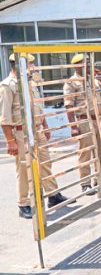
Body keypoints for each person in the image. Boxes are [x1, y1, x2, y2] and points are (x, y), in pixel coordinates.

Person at [0, 53, 74, 219]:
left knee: (46, 163)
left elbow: (37, 106)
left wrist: (45, 124)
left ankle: (53, 195)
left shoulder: (30, 83)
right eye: (30, 64)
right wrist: (10, 140)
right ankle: (24, 203)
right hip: (22, 133)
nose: (33, 68)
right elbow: (4, 117)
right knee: (25, 169)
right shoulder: (7, 86)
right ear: (18, 65)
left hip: (38, 130)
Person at [63, 53, 101, 194]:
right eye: (84, 62)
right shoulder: (71, 82)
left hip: (98, 118)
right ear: (76, 65)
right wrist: (73, 126)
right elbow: (69, 106)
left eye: (88, 62)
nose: (87, 65)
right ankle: (85, 183)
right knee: (85, 153)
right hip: (84, 120)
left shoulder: (94, 79)